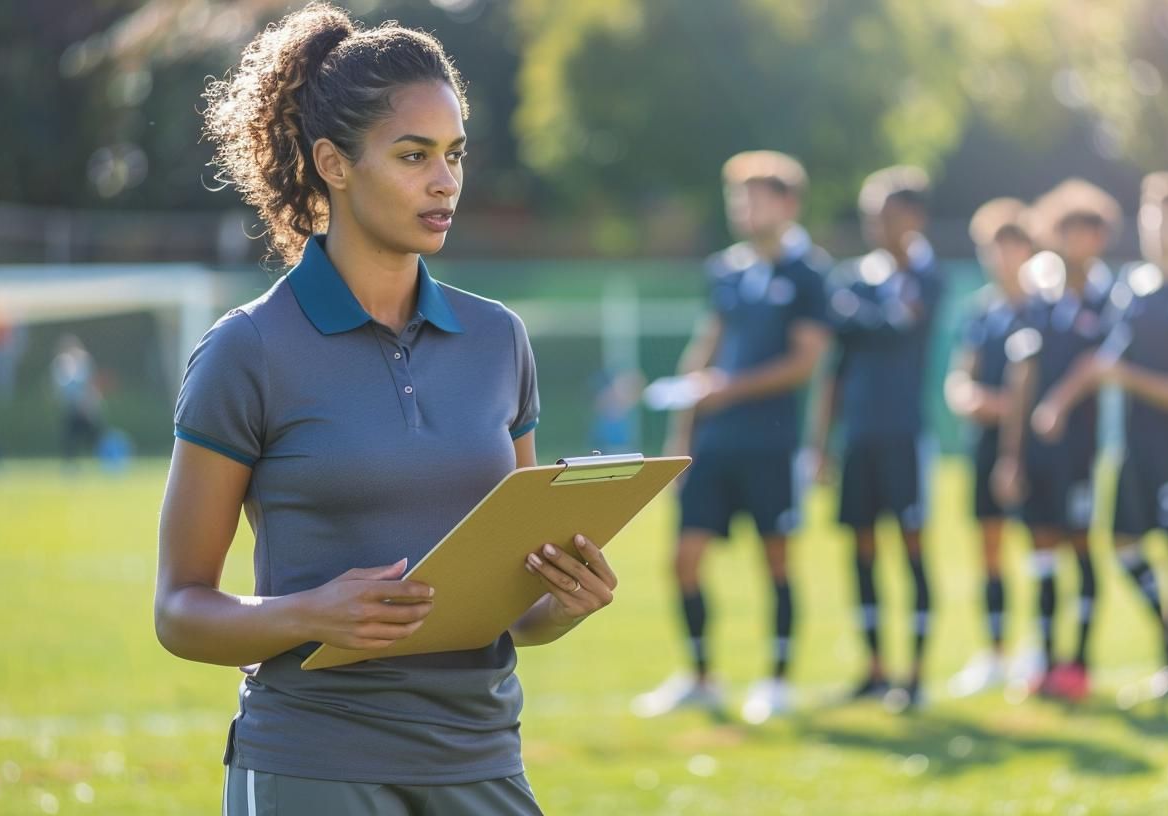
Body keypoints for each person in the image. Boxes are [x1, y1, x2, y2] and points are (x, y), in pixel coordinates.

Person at [155, 6, 616, 813]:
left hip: (480, 761)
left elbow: (516, 608)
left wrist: (563, 601)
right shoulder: (249, 350)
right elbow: (179, 610)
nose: (445, 182)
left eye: (455, 156)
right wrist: (309, 613)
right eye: (414, 156)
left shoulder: (498, 339)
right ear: (333, 163)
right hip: (312, 761)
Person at [632, 151, 832, 724]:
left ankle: (777, 682)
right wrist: (682, 434)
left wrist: (728, 387)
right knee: (684, 560)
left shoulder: (809, 274)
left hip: (771, 445)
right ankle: (700, 677)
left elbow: (804, 363)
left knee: (775, 560)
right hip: (714, 445)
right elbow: (708, 345)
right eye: (737, 198)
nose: (744, 208)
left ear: (789, 204)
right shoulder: (726, 270)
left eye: (756, 197)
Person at [1034, 173, 1168, 698]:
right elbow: (1101, 362)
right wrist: (1058, 401)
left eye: (1163, 217)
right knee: (1122, 547)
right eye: (1146, 218)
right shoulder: (1131, 289)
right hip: (1128, 450)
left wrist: (1130, 379)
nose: (1152, 228)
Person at [809, 166, 944, 711]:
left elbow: (899, 325)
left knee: (911, 549)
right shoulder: (855, 279)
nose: (876, 227)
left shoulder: (928, 276)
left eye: (885, 215)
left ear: (913, 217)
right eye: (869, 217)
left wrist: (854, 316)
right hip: (859, 436)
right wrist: (820, 442)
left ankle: (914, 674)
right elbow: (836, 366)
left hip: (905, 435)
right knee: (860, 549)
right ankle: (874, 668)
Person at [992, 179, 1121, 702]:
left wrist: (1062, 403)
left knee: (1080, 547)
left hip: (1083, 450)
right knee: (1040, 551)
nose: (1078, 239)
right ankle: (1044, 662)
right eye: (1068, 229)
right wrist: (1011, 455)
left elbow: (1100, 365)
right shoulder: (1038, 303)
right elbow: (1020, 379)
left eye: (1088, 229)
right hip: (1040, 454)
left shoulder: (1112, 299)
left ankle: (1081, 663)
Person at [945, 198, 1035, 697]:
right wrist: (973, 399)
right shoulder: (980, 311)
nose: (996, 258)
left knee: (1039, 545)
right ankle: (997, 651)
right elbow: (960, 381)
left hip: (1033, 450)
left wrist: (1010, 410)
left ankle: (1037, 648)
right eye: (988, 249)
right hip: (984, 444)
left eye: (1005, 246)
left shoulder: (1040, 308)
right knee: (989, 549)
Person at [50, 334, 103, 462]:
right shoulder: (61, 363)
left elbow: (90, 384)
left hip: (86, 408)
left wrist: (88, 403)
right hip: (72, 408)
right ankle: (71, 465)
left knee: (95, 437)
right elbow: (61, 387)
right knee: (70, 438)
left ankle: (108, 459)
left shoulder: (84, 360)